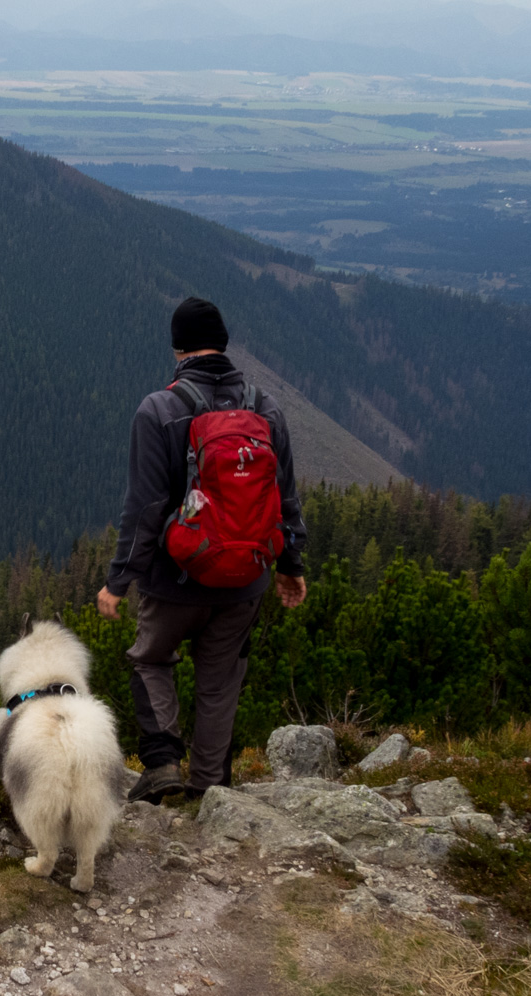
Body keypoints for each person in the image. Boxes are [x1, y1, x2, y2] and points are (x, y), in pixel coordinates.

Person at [98, 297, 308, 804]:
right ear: (225, 343)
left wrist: (118, 581)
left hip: (176, 580)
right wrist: (291, 565)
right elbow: (286, 497)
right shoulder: (265, 408)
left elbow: (145, 509)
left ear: (178, 348)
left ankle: (163, 762)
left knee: (150, 659)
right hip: (244, 582)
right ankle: (210, 791)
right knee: (219, 683)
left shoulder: (160, 409)